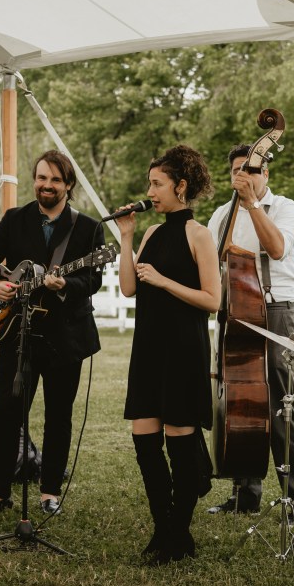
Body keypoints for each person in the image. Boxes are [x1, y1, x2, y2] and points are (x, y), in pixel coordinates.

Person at [0, 150, 104, 517]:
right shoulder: (15, 219)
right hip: (17, 333)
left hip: (66, 337)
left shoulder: (88, 227)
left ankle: (49, 493)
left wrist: (65, 284)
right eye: (42, 178)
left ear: (68, 185)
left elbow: (93, 280)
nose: (47, 185)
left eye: (55, 180)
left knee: (59, 416)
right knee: (7, 414)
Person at [205, 143, 294, 526]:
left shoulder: (283, 208)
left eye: (252, 170)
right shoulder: (221, 215)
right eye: (238, 170)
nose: (244, 176)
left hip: (273, 312)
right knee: (240, 402)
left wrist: (252, 203)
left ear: (265, 174)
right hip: (231, 313)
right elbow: (210, 267)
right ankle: (245, 494)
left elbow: (276, 248)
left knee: (279, 407)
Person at [117, 145, 220, 564]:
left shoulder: (199, 235)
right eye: (149, 184)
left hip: (183, 350)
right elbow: (128, 288)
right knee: (145, 443)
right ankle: (164, 529)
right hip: (148, 348)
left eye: (157, 184)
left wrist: (163, 281)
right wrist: (126, 236)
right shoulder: (150, 234)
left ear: (181, 186)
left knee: (179, 445)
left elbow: (212, 300)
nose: (150, 191)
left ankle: (177, 534)